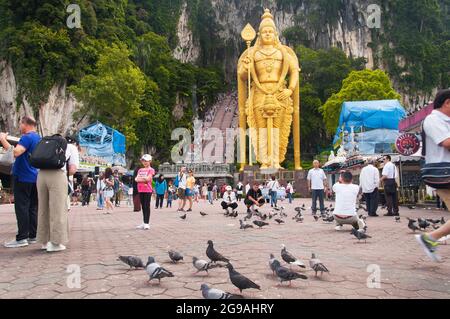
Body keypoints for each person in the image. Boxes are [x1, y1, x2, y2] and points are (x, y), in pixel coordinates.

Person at [415, 89, 450, 262]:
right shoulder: (433, 119)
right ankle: (430, 238)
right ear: (447, 102)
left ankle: (431, 238)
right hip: (443, 174)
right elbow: (446, 142)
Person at [1, 116, 41, 248]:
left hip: (23, 177)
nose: (19, 126)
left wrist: (3, 140)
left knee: (21, 207)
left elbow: (17, 152)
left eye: (20, 123)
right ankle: (32, 235)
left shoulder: (26, 137)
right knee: (32, 207)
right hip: (34, 177)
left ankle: (22, 237)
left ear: (25, 124)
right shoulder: (38, 138)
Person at [36, 135, 79, 252]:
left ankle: (44, 241)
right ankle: (55, 243)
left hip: (41, 175)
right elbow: (73, 169)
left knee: (43, 208)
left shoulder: (46, 144)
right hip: (57, 175)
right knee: (58, 209)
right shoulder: (71, 147)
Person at [135, 154, 155, 230]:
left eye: (146, 161)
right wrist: (143, 179)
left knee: (147, 206)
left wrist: (142, 178)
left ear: (150, 161)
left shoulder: (151, 170)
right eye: (143, 161)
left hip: (147, 190)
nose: (145, 162)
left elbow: (148, 179)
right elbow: (136, 179)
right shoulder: (140, 170)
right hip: (141, 189)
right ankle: (144, 222)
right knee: (143, 206)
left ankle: (147, 223)